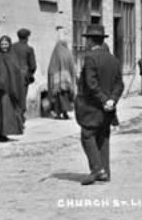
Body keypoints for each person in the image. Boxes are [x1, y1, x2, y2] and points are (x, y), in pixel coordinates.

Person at [75, 24, 124, 185]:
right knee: (103, 137)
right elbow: (119, 84)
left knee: (87, 135)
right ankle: (105, 172)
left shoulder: (90, 58)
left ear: (90, 40)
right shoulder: (113, 59)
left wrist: (103, 100)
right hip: (108, 108)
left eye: (87, 39)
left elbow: (91, 83)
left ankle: (97, 169)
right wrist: (112, 100)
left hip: (92, 106)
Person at [47, 39, 77, 120]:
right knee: (66, 97)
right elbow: (72, 67)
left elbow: (51, 67)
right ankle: (65, 113)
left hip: (57, 80)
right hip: (67, 80)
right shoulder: (68, 53)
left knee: (58, 98)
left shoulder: (56, 52)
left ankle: (58, 113)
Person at [12, 28, 37, 122]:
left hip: (12, 76)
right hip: (23, 77)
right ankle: (20, 117)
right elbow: (33, 66)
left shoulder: (12, 47)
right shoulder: (29, 49)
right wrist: (30, 74)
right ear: (27, 38)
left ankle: (13, 115)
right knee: (22, 97)